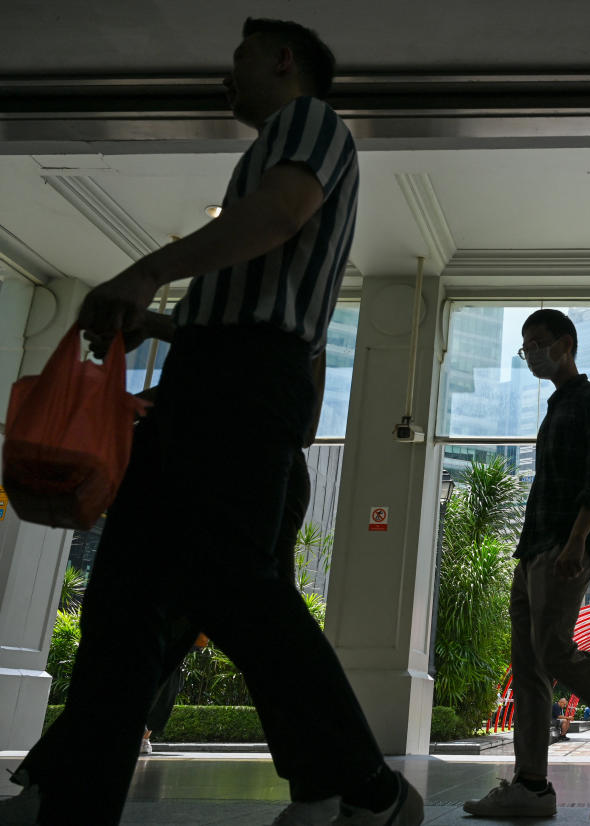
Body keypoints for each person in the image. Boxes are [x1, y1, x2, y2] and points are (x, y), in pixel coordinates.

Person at [0, 19, 421, 826]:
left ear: (283, 59)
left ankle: (366, 787)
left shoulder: (311, 123)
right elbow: (251, 278)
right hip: (221, 374)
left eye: (239, 57)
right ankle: (72, 798)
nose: (225, 75)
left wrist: (147, 270)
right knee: (129, 591)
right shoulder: (277, 144)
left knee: (222, 581)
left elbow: (278, 216)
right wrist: (163, 327)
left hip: (240, 380)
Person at [464, 309, 590, 819]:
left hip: (564, 548)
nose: (532, 354)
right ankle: (531, 785)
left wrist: (577, 541)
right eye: (525, 347)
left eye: (539, 342)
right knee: (530, 666)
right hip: (534, 548)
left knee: (555, 651)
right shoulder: (555, 407)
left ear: (567, 343)